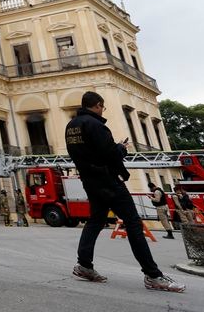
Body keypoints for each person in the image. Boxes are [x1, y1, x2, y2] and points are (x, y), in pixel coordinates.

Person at [65, 91, 185, 292]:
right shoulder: (96, 125)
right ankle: (153, 275)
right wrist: (122, 148)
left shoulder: (71, 126)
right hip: (108, 180)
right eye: (103, 107)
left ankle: (84, 265)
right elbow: (109, 154)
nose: (103, 110)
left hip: (89, 180)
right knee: (133, 223)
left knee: (95, 221)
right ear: (98, 105)